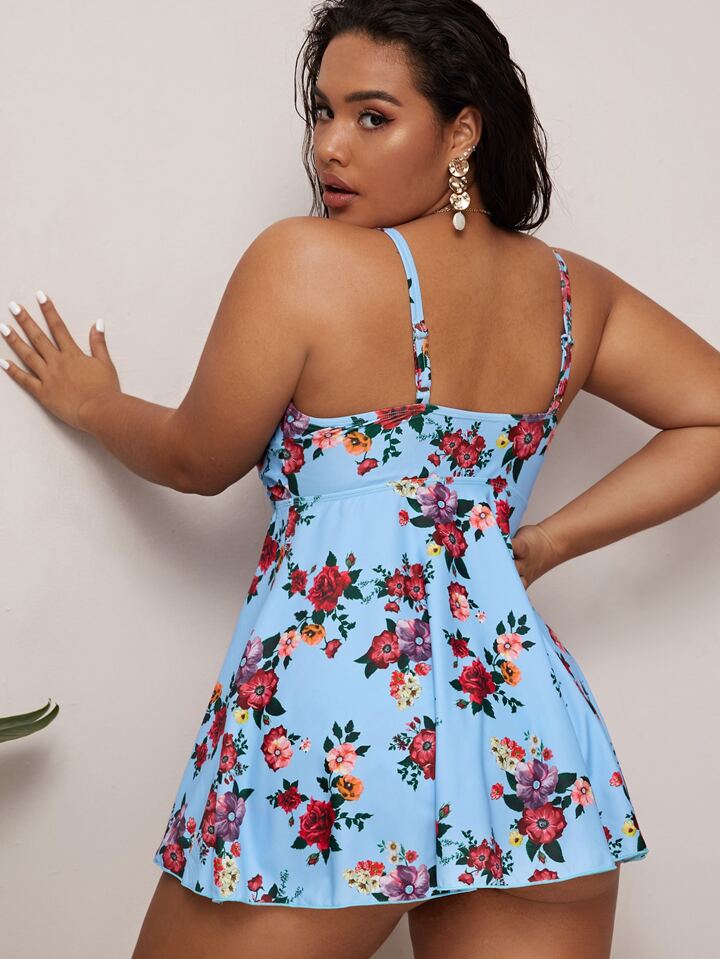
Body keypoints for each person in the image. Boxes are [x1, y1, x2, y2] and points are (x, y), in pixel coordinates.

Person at [3, 2, 718, 957]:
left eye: (372, 116)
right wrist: (539, 545)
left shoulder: (302, 261)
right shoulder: (572, 294)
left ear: (462, 132)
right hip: (523, 740)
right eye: (323, 111)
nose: (330, 146)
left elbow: (194, 459)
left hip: (338, 735)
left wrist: (97, 404)